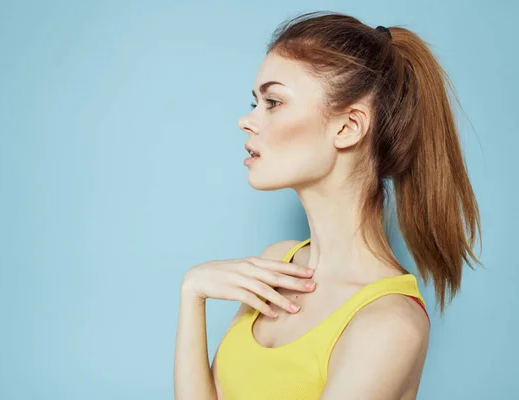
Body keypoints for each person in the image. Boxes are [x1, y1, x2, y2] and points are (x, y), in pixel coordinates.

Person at [174, 10, 482, 400]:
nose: (246, 121)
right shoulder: (278, 264)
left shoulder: (387, 324)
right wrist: (192, 292)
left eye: (273, 101)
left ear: (348, 127)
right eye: (255, 102)